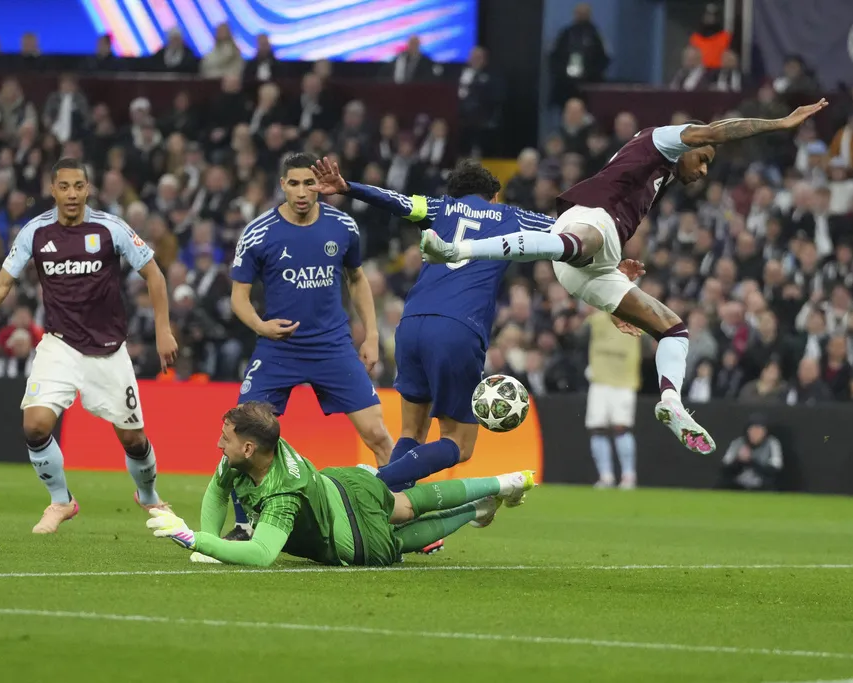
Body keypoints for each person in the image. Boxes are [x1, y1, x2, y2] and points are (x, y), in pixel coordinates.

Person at [417, 99, 831, 455]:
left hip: (594, 268)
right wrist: (779, 124)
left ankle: (672, 402)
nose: (703, 171)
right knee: (577, 241)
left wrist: (614, 283)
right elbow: (719, 131)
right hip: (587, 222)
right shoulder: (661, 139)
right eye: (703, 159)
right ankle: (455, 249)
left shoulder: (658, 174)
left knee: (673, 330)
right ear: (691, 144)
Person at [310, 157, 641, 550]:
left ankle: (384, 505)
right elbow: (569, 238)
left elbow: (394, 200)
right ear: (494, 194)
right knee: (460, 445)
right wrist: (614, 273)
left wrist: (349, 187)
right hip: (457, 329)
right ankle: (373, 487)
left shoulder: (439, 208)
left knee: (411, 432)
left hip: (411, 324)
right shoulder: (510, 215)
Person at [0, 158, 179, 533]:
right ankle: (61, 501)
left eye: (79, 186)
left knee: (133, 437)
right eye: (64, 186)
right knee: (35, 425)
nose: (72, 194)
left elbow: (154, 275)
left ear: (88, 189)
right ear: (53, 190)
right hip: (59, 345)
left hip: (108, 350)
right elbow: (1, 283)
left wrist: (163, 330)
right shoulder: (36, 232)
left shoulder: (110, 228)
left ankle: (149, 495)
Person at [226, 152, 393, 541]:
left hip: (333, 347)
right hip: (278, 349)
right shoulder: (258, 232)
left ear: (320, 185)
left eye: (310, 183)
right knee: (240, 430)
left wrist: (370, 336)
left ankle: (402, 515)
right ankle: (243, 523)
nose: (303, 192)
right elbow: (239, 297)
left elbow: (357, 280)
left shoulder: (343, 226)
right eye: (294, 183)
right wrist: (261, 327)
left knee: (379, 435)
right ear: (282, 185)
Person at [145, 401, 535, 567]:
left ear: (247, 447)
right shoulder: (258, 447)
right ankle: (503, 482)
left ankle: (474, 509)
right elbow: (216, 491)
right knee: (407, 504)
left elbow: (263, 553)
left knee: (402, 539)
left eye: (225, 438)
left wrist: (194, 538)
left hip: (351, 537)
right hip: (344, 484)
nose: (219, 443)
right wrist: (212, 546)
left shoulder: (283, 492)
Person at [583, 309, 641, 489]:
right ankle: (606, 477)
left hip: (624, 381)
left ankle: (628, 476)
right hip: (599, 380)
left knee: (621, 428)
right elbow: (576, 336)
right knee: (597, 428)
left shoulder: (635, 318)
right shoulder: (596, 320)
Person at [717, 414, 783, 491]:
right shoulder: (738, 443)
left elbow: (774, 470)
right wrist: (739, 461)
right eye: (753, 430)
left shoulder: (772, 443)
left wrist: (751, 461)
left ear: (765, 432)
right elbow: (724, 468)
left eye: (759, 430)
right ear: (748, 431)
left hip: (762, 487)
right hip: (737, 486)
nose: (756, 434)